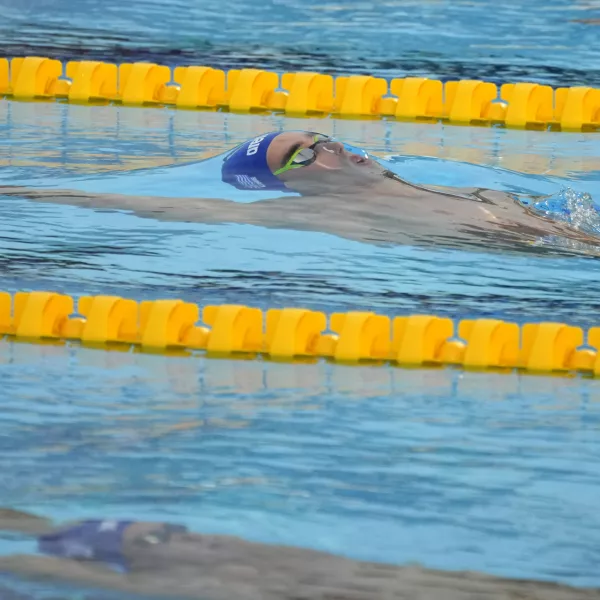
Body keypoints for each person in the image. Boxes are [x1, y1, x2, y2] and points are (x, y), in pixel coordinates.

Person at [1, 130, 599, 255]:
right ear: (290, 185)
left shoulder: (457, 183)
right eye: (303, 155)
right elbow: (164, 206)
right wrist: (30, 193)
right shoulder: (330, 220)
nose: (331, 149)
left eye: (323, 138)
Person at [0, 507, 598, 600]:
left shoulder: (237, 553)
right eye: (158, 540)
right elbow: (33, 558)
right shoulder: (175, 587)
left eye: (174, 527)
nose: (187, 537)